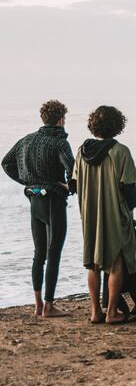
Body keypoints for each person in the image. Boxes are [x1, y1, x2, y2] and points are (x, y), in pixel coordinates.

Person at [2, 100, 74, 317]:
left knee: (39, 253)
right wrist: (68, 186)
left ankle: (37, 306)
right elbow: (73, 169)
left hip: (34, 200)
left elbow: (6, 163)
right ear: (61, 119)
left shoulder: (27, 140)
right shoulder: (59, 142)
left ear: (43, 118)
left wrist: (27, 182)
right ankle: (49, 306)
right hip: (53, 200)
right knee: (54, 252)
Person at [71, 106, 136, 324]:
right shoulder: (120, 151)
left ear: (93, 125)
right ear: (117, 125)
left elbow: (73, 184)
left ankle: (95, 312)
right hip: (114, 214)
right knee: (116, 262)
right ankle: (112, 312)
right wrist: (131, 208)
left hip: (89, 215)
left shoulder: (82, 151)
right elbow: (129, 188)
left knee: (92, 263)